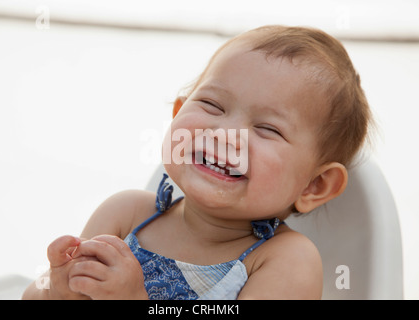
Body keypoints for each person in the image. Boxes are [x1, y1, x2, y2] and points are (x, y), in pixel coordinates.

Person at [23, 25, 372, 300]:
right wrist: (59, 289)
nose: (225, 133)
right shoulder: (125, 215)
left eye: (267, 129)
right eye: (212, 105)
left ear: (315, 185)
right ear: (177, 115)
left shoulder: (286, 260)